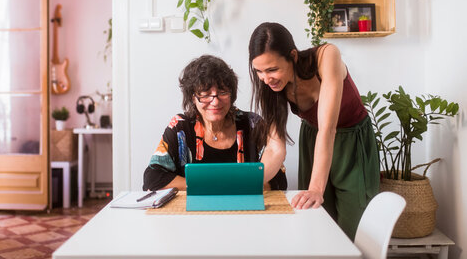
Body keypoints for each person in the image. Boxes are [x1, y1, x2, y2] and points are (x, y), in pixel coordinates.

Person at [248, 22, 379, 240]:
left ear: (293, 56)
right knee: (317, 221)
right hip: (313, 139)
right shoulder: (270, 86)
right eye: (259, 71)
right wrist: (250, 184)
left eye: (272, 69)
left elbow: (328, 129)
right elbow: (275, 149)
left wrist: (316, 188)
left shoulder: (327, 56)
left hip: (351, 140)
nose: (265, 78)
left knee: (353, 228)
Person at [143, 54, 287, 191]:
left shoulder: (252, 124)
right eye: (205, 94)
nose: (215, 101)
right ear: (193, 97)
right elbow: (152, 179)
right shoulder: (180, 128)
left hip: (244, 211)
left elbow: (279, 180)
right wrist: (213, 186)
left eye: (223, 92)